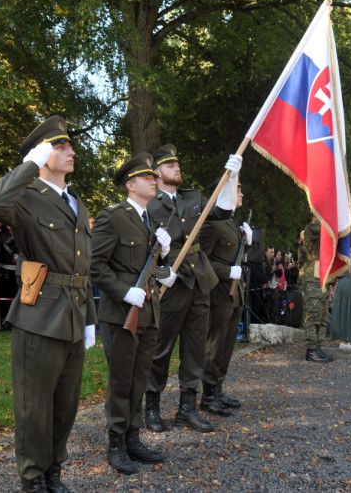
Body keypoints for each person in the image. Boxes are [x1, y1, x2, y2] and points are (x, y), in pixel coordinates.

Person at [0, 115, 97, 493]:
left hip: (75, 313)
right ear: (43, 153)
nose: (71, 151)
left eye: (69, 146)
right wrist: (29, 164)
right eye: (60, 146)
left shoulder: (76, 204)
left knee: (66, 404)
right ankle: (32, 478)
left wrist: (91, 317)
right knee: (35, 406)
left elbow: (83, 269)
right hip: (40, 315)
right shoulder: (27, 198)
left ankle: (53, 472)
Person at [144, 144, 241, 434]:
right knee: (160, 348)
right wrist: (161, 273)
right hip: (171, 281)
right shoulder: (149, 203)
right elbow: (140, 249)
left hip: (199, 280)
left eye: (177, 162)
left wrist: (233, 177)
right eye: (170, 164)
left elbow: (223, 212)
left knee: (195, 349)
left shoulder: (192, 199)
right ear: (157, 172)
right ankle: (152, 407)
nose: (177, 167)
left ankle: (187, 408)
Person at [90, 153, 176, 474]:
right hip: (121, 313)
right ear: (130, 184)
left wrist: (164, 254)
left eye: (154, 177)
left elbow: (159, 271)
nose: (154, 181)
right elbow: (95, 265)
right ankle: (115, 443)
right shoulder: (113, 216)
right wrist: (124, 291)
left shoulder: (151, 220)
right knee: (121, 380)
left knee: (139, 378)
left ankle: (133, 438)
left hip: (149, 312)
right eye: (147, 178)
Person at [199, 182, 252, 416]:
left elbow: (235, 257)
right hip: (218, 293)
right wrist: (227, 272)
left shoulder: (231, 222)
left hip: (234, 294)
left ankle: (218, 389)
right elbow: (202, 259)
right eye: (238, 190)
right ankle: (208, 395)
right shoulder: (212, 223)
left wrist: (246, 245)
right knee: (215, 345)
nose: (241, 194)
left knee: (227, 346)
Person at [298, 215, 333, 362]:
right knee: (313, 313)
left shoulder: (324, 228)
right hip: (313, 278)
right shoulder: (311, 228)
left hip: (323, 277)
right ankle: (311, 350)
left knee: (322, 315)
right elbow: (322, 230)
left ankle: (318, 346)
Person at [331, 230, 351, 349]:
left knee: (343, 310)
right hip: (350, 282)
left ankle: (346, 339)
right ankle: (346, 339)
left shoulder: (342, 252)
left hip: (343, 282)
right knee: (349, 311)